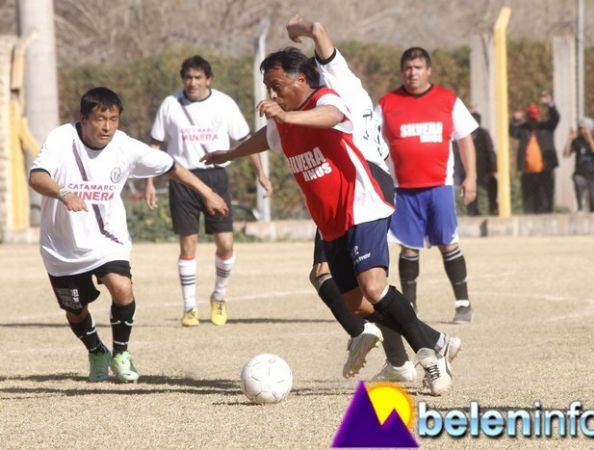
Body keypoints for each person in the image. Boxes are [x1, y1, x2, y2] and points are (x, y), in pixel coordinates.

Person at [201, 17, 458, 395]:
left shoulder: (328, 96)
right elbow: (266, 136)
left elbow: (334, 116)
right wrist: (231, 152)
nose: (271, 96)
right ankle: (435, 340)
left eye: (276, 87)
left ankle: (429, 359)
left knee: (374, 285)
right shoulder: (284, 120)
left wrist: (303, 37)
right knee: (357, 304)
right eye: (268, 89)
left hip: (363, 200)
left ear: (301, 80)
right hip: (331, 219)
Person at [29, 87, 228, 383]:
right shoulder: (61, 139)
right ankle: (97, 351)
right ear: (83, 118)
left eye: (113, 119)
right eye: (99, 119)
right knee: (75, 309)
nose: (107, 126)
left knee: (122, 288)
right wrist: (63, 193)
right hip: (62, 246)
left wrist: (208, 192)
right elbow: (37, 176)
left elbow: (172, 167)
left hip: (108, 239)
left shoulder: (125, 146)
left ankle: (121, 353)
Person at [146, 55, 271, 327]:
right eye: (188, 78)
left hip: (216, 178)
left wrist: (261, 172)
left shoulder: (224, 103)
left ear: (208, 79)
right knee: (188, 243)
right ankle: (190, 307)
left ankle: (219, 296)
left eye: (198, 78)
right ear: (183, 80)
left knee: (225, 243)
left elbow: (246, 140)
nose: (193, 83)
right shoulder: (170, 104)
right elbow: (154, 146)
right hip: (182, 179)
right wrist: (150, 183)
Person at [377, 46, 478, 325]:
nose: (413, 73)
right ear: (402, 71)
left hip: (439, 187)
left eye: (418, 67)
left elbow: (465, 140)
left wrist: (471, 177)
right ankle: (409, 308)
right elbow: (369, 140)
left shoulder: (447, 100)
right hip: (403, 189)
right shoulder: (387, 104)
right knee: (408, 248)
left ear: (428, 71)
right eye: (408, 68)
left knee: (449, 243)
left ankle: (463, 304)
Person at [510, 93, 560, 214]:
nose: (534, 121)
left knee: (545, 200)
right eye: (531, 118)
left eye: (535, 118)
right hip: (528, 172)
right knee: (529, 201)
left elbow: (555, 118)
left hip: (545, 170)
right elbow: (512, 131)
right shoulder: (524, 129)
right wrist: (514, 119)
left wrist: (550, 104)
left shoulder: (546, 127)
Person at [563, 117, 594, 212]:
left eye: (583, 128)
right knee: (578, 181)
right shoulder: (577, 141)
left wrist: (589, 137)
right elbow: (566, 154)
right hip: (581, 174)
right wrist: (569, 140)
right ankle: (580, 207)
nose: (581, 130)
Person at [466, 111, 497, 216]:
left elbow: (490, 150)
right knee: (471, 189)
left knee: (492, 185)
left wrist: (493, 167)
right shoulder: (465, 134)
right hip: (471, 167)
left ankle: (492, 207)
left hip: (483, 168)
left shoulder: (483, 133)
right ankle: (473, 210)